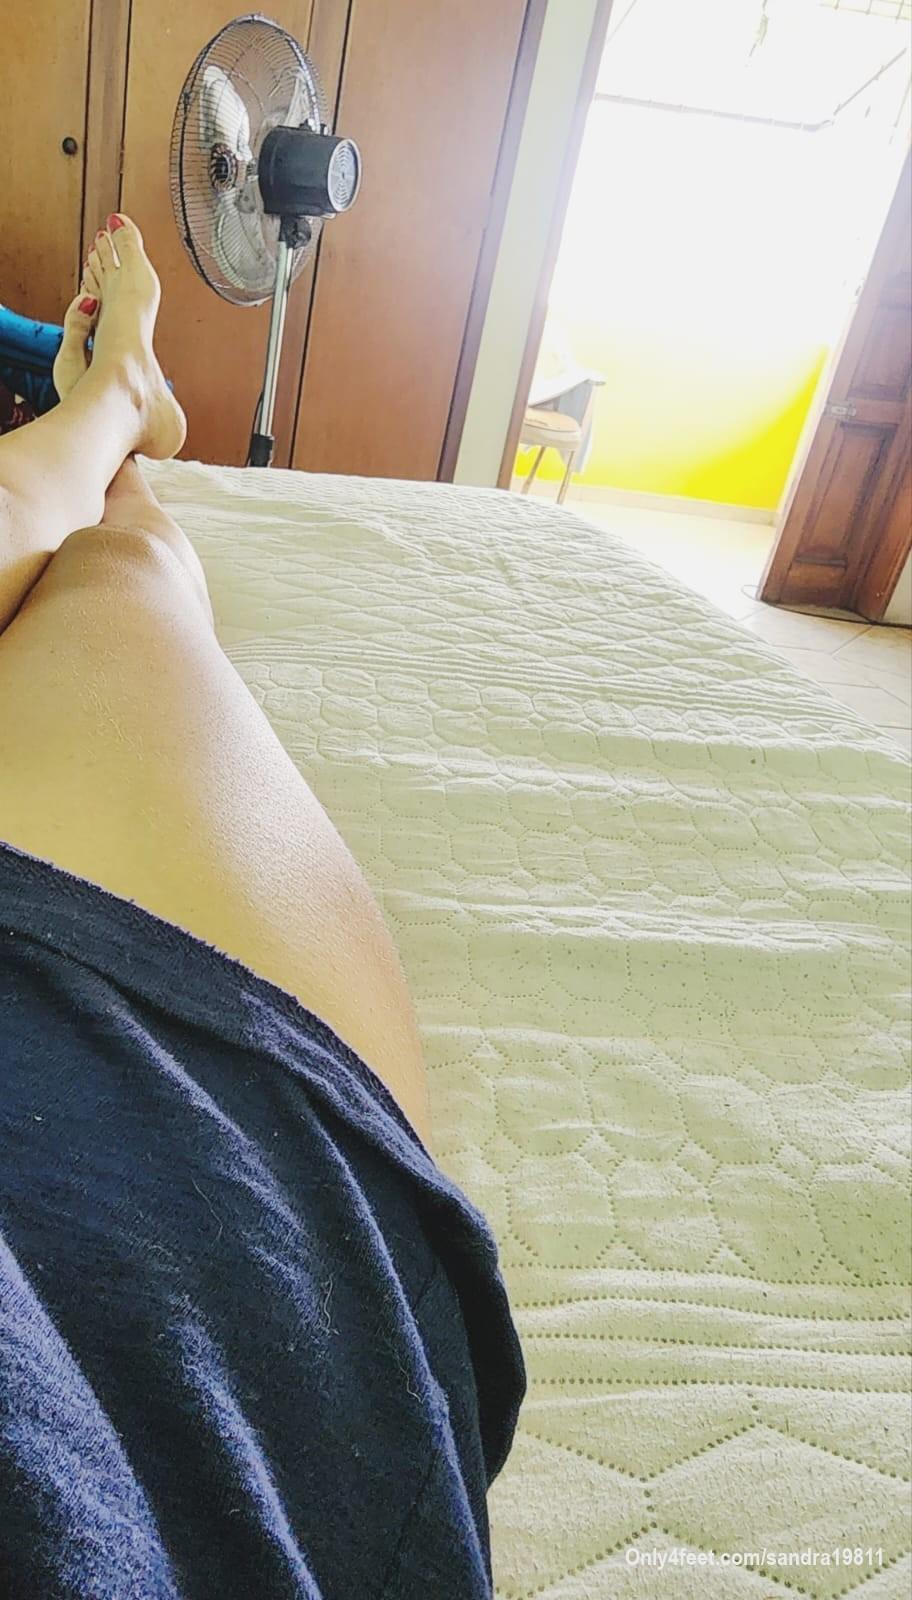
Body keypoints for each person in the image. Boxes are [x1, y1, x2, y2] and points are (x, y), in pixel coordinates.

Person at [0, 215, 523, 1599]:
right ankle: (115, 416)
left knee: (96, 567)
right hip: (182, 1200)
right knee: (125, 572)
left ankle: (106, 410)